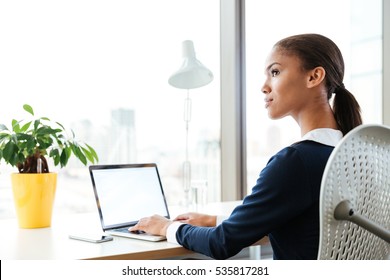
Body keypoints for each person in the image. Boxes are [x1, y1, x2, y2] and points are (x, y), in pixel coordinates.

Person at [129, 33, 363, 260]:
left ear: (314, 77)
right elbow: (299, 223)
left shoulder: (296, 161)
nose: (264, 86)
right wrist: (215, 220)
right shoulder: (354, 156)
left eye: (275, 72)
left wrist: (167, 227)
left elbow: (221, 243)